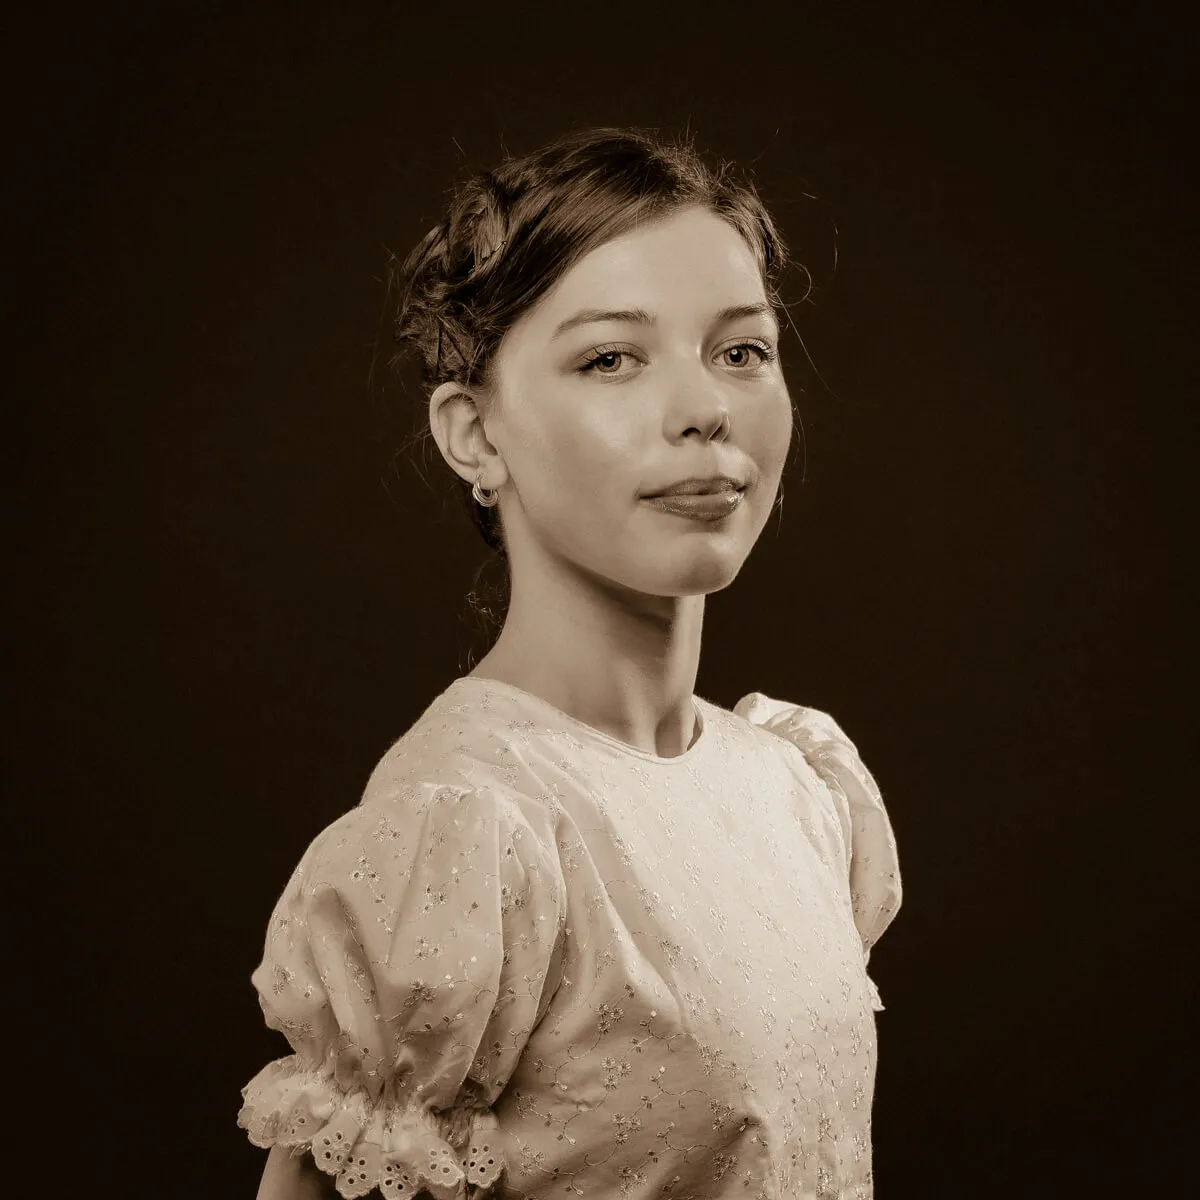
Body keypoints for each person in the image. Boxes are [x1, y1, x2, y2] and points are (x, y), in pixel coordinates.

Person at [239, 124, 903, 1199]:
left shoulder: (795, 786)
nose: (705, 410)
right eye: (609, 359)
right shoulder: (471, 829)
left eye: (741, 352)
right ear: (474, 433)